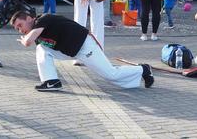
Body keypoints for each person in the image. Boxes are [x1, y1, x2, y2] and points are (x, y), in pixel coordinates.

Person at [10, 11, 154, 91]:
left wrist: (24, 40)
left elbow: (28, 41)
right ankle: (51, 81)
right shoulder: (37, 33)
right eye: (17, 29)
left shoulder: (43, 19)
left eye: (20, 25)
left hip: (85, 46)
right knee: (42, 48)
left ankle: (143, 69)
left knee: (111, 75)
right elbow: (35, 41)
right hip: (72, 51)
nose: (20, 30)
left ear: (29, 18)